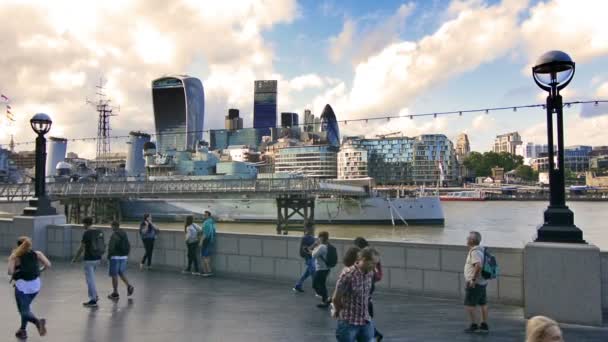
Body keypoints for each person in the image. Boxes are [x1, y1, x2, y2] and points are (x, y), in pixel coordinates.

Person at [332, 247, 379, 342]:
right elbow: (335, 299)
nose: (375, 267)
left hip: (366, 321)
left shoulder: (370, 273)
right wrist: (339, 312)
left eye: (376, 264)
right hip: (348, 323)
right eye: (373, 263)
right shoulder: (348, 275)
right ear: (364, 260)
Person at [8, 236, 51, 340]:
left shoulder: (15, 256)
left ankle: (38, 322)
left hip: (22, 287)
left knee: (23, 311)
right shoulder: (37, 254)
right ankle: (22, 330)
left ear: (18, 246)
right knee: (26, 308)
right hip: (35, 285)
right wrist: (39, 270)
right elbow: (48, 265)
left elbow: (10, 272)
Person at [354, 237, 384, 342]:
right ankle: (375, 333)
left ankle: (374, 334)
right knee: (364, 315)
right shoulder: (371, 253)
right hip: (369, 286)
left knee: (363, 315)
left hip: (368, 284)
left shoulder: (367, 256)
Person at [72, 217, 104, 307]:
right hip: (97, 258)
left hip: (89, 259)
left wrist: (75, 258)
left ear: (86, 224)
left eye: (83, 224)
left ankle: (93, 299)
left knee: (90, 280)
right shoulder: (98, 231)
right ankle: (95, 295)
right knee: (91, 278)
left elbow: (81, 248)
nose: (83, 226)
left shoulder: (87, 233)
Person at [463, 231, 489, 333]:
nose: (466, 239)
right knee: (483, 303)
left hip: (475, 283)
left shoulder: (474, 251)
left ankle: (474, 325)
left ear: (472, 240)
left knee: (470, 305)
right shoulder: (481, 250)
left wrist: (473, 280)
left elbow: (478, 266)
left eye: (468, 238)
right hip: (482, 282)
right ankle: (484, 324)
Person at [107, 221, 134, 301]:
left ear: (114, 226)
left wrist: (109, 256)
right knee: (120, 272)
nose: (111, 228)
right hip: (124, 257)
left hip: (115, 257)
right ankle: (129, 285)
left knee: (114, 274)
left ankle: (115, 293)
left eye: (111, 226)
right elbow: (129, 244)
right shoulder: (124, 233)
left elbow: (111, 247)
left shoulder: (114, 235)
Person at [292, 223, 316, 293]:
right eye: (313, 228)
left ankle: (298, 286)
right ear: (309, 228)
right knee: (313, 272)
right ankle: (317, 288)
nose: (314, 229)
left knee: (307, 273)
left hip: (311, 257)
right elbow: (305, 249)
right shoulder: (306, 238)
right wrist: (314, 245)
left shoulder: (310, 237)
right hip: (309, 258)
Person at [311, 231, 331, 308]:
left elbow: (313, 255)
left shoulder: (322, 246)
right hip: (327, 268)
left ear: (321, 238)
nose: (318, 239)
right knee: (322, 285)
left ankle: (327, 299)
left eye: (319, 237)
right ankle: (325, 302)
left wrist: (315, 246)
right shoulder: (328, 245)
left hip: (321, 269)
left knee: (315, 285)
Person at [200, 211, 216, 277]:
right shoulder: (212, 222)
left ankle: (207, 271)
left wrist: (201, 241)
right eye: (204, 215)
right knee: (208, 256)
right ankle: (207, 271)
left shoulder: (206, 223)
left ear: (209, 216)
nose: (204, 216)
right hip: (211, 241)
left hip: (206, 241)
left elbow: (204, 234)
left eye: (205, 215)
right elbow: (214, 232)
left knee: (204, 257)